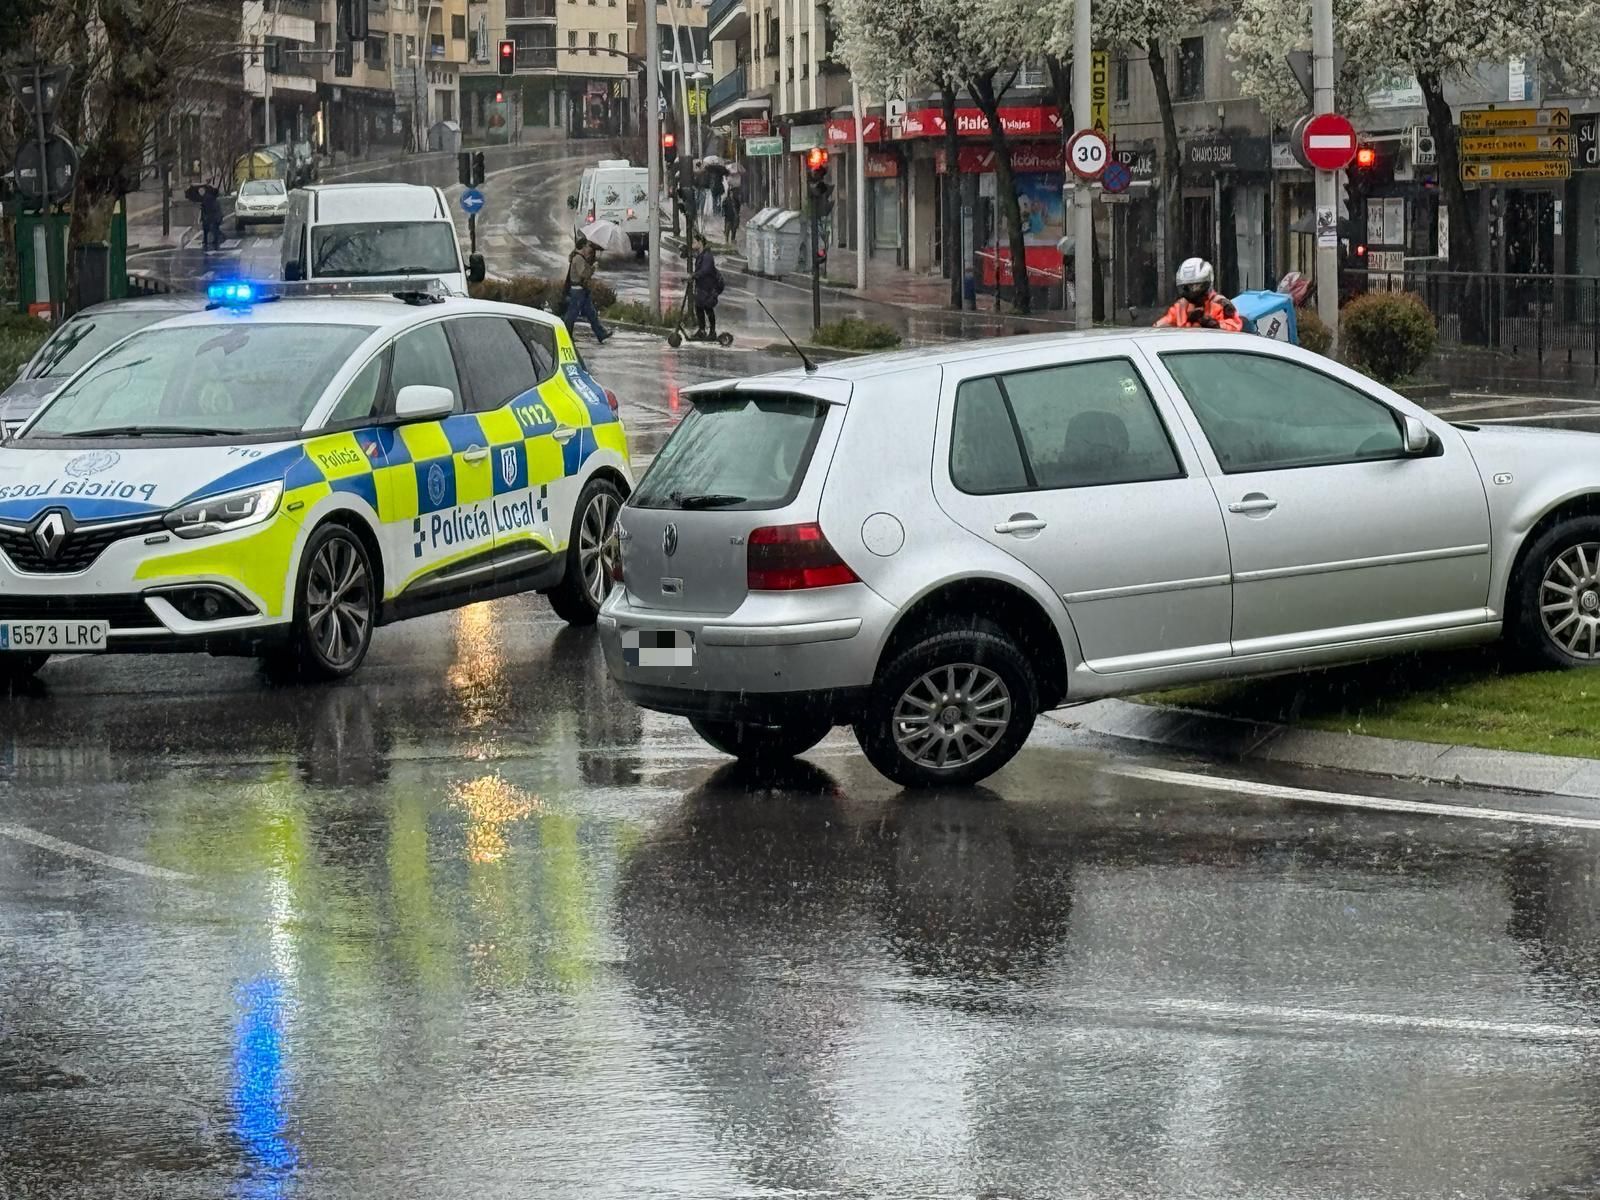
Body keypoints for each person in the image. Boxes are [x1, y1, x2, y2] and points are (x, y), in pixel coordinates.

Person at [1154, 257, 1243, 330]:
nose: (1191, 290)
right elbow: (1158, 328)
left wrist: (1214, 325)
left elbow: (1235, 327)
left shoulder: (1220, 303)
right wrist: (1185, 323)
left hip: (1212, 348)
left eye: (1196, 285)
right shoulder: (1181, 306)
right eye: (1187, 287)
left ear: (1206, 283)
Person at [563, 237, 612, 344]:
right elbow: (584, 274)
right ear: (583, 246)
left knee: (591, 314)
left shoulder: (579, 258)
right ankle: (566, 335)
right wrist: (593, 267)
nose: (589, 248)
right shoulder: (578, 258)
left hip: (582, 291)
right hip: (578, 291)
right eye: (588, 246)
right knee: (571, 315)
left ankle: (601, 334)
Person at [690, 233, 724, 342]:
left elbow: (705, 270)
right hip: (702, 286)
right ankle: (702, 330)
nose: (692, 244)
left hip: (709, 287)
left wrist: (695, 275)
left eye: (694, 242)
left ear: (700, 243)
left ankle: (712, 332)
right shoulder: (700, 255)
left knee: (708, 307)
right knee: (699, 306)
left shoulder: (707, 256)